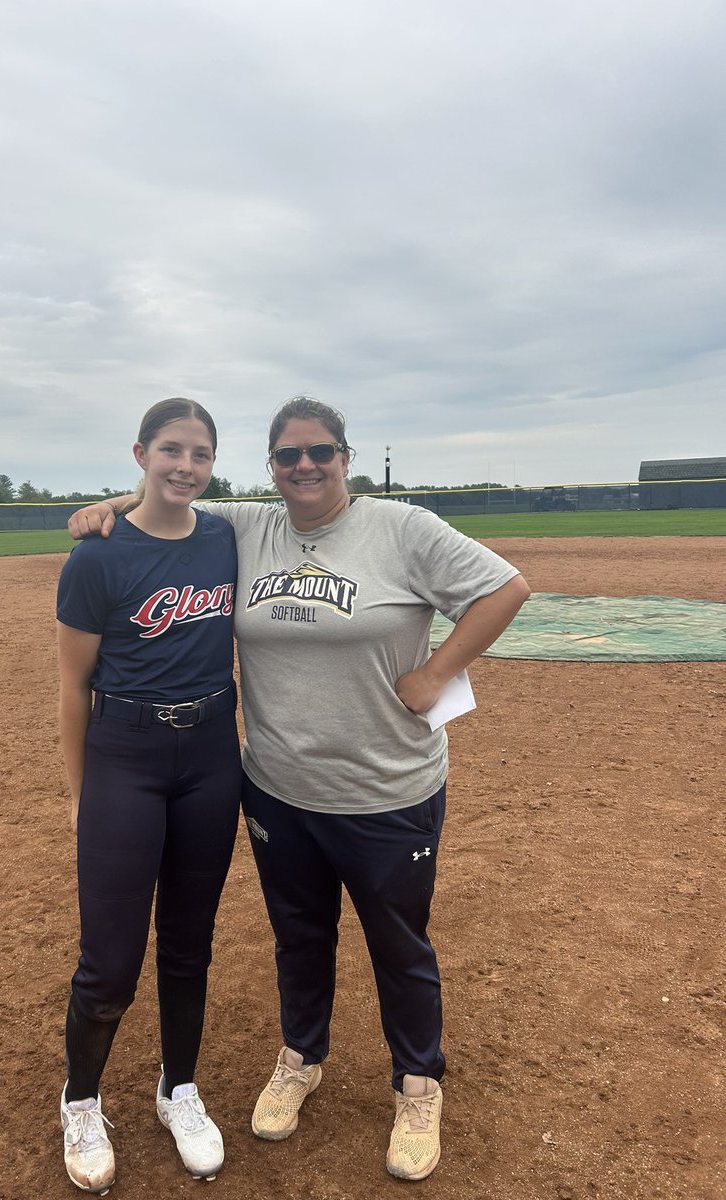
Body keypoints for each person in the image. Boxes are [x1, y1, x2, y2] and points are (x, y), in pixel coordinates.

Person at [68, 395, 530, 1182]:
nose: (305, 466)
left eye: (321, 452)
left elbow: (506, 587)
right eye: (287, 456)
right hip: (279, 786)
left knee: (399, 944)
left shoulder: (402, 528)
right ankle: (300, 1058)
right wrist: (110, 503)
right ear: (271, 468)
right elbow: (172, 498)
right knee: (300, 937)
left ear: (346, 458)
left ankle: (418, 1085)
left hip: (388, 786)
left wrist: (437, 673)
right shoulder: (248, 527)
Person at [56, 398, 241, 1193]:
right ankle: (82, 1099)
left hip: (209, 754)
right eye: (171, 450)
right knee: (110, 958)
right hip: (124, 755)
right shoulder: (98, 556)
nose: (185, 467)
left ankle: (179, 1090)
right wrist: (79, 794)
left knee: (190, 943)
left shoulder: (228, 535)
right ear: (140, 453)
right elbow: (72, 687)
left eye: (200, 454)